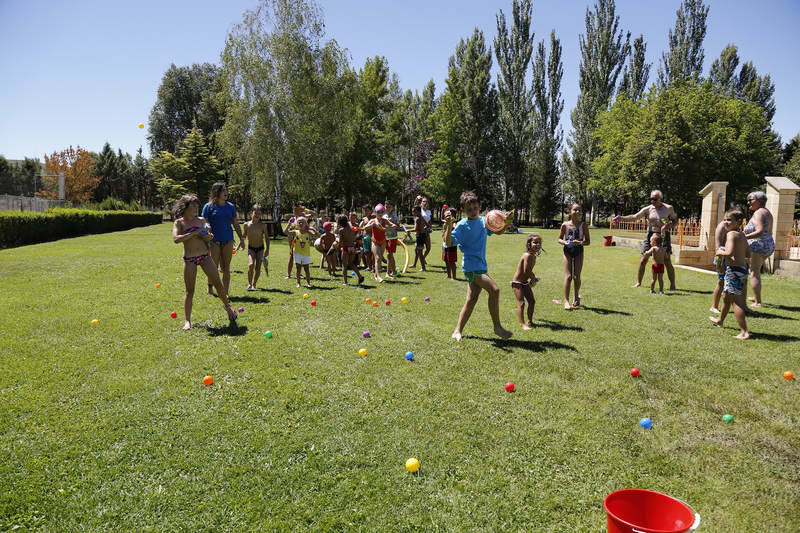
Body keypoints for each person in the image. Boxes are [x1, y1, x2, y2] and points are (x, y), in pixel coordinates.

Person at [443, 190, 513, 341]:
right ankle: (497, 327)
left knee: (472, 299)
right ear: (463, 210)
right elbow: (448, 242)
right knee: (494, 290)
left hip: (481, 265)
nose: (473, 212)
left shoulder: (483, 221)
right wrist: (449, 225)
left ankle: (457, 331)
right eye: (469, 209)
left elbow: (498, 232)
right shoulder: (462, 225)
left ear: (479, 207)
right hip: (470, 266)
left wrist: (506, 224)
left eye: (475, 208)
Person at [172, 195, 237, 330]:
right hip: (189, 259)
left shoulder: (201, 221)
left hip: (205, 256)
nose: (196, 208)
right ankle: (187, 321)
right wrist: (193, 233)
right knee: (190, 291)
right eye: (193, 206)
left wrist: (206, 235)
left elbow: (209, 236)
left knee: (218, 284)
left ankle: (228, 308)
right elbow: (176, 239)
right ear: (185, 207)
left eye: (197, 205)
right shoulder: (179, 223)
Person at [613, 190, 678, 290]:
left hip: (664, 235)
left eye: (655, 199)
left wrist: (668, 226)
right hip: (650, 235)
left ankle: (672, 285)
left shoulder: (668, 208)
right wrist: (622, 218)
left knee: (667, 260)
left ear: (660, 199)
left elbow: (675, 221)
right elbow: (635, 216)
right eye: (651, 199)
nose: (652, 201)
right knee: (643, 259)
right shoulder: (648, 209)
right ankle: (638, 282)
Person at [710, 209, 750, 339]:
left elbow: (729, 253)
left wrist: (720, 251)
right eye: (725, 219)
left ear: (738, 222)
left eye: (729, 220)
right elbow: (748, 253)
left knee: (736, 303)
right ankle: (720, 320)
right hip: (741, 270)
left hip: (734, 271)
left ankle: (744, 332)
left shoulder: (731, 234)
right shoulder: (742, 234)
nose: (726, 222)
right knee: (726, 297)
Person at [202, 182, 244, 298]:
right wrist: (207, 229)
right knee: (213, 267)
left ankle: (225, 293)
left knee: (226, 267)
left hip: (228, 240)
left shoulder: (230, 207)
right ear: (217, 192)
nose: (226, 192)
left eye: (226, 190)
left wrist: (241, 238)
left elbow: (235, 223)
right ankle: (210, 286)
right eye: (223, 190)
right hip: (214, 240)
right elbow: (204, 221)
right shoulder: (208, 206)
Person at [744, 191, 774, 308]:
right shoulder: (767, 212)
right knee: (756, 272)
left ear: (759, 201)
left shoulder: (758, 213)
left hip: (758, 245)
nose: (748, 202)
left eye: (750, 200)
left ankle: (758, 302)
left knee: (754, 272)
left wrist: (743, 236)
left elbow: (760, 231)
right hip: (768, 245)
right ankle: (755, 297)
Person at [557, 203, 590, 309]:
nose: (577, 212)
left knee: (576, 277)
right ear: (569, 212)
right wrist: (565, 243)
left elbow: (588, 241)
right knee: (568, 276)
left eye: (579, 210)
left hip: (579, 251)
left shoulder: (583, 225)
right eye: (575, 210)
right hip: (567, 251)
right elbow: (559, 239)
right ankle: (566, 301)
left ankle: (576, 298)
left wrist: (579, 243)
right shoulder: (565, 225)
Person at [361, 203, 399, 283]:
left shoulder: (385, 220)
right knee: (378, 258)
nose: (380, 214)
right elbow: (365, 228)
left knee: (379, 258)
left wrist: (393, 226)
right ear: (375, 212)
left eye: (382, 212)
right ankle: (378, 276)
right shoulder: (373, 220)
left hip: (383, 241)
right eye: (378, 212)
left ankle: (376, 275)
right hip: (375, 242)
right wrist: (372, 225)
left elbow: (393, 225)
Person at [511, 234, 542, 330]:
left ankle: (530, 320)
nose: (537, 245)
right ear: (529, 244)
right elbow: (526, 271)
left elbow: (527, 272)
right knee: (521, 303)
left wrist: (532, 278)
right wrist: (533, 278)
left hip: (524, 282)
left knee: (532, 301)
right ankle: (522, 324)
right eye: (535, 242)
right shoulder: (527, 255)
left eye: (539, 243)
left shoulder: (533, 256)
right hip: (517, 283)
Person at [285, 216, 318, 288]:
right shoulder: (295, 232)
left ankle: (308, 283)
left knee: (307, 269)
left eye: (302, 222)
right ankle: (298, 283)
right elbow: (285, 232)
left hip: (306, 254)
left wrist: (312, 228)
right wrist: (289, 223)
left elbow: (316, 235)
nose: (300, 223)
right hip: (297, 253)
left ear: (306, 224)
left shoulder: (308, 232)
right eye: (299, 222)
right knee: (298, 269)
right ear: (296, 224)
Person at [243, 204, 270, 291]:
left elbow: (266, 238)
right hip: (251, 248)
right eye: (256, 213)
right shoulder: (246, 225)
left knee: (258, 268)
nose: (257, 215)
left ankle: (254, 284)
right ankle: (249, 284)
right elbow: (244, 236)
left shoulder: (263, 225)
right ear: (251, 213)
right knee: (251, 265)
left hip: (260, 249)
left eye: (259, 213)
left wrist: (267, 249)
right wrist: (240, 245)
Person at [286, 204, 315, 279]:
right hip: (293, 238)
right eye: (293, 210)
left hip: (303, 239)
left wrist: (305, 209)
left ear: (299, 210)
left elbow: (314, 214)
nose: (294, 211)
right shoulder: (293, 218)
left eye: (296, 210)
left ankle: (299, 273)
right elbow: (289, 229)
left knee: (301, 255)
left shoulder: (304, 216)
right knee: (291, 255)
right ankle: (288, 274)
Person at [336, 214, 364, 285]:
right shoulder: (352, 228)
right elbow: (356, 233)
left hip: (346, 248)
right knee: (351, 263)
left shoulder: (341, 230)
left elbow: (341, 241)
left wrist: (338, 244)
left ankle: (345, 282)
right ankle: (359, 276)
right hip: (352, 247)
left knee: (344, 265)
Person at [710, 219, 728, 313]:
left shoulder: (730, 226)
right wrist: (719, 263)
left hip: (726, 257)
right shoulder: (723, 226)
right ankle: (714, 306)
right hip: (721, 257)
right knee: (721, 282)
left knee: (725, 282)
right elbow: (718, 247)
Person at [384, 200, 404, 277]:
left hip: (393, 237)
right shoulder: (383, 215)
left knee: (389, 254)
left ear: (392, 207)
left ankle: (388, 272)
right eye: (386, 206)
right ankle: (393, 272)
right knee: (389, 255)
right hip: (385, 237)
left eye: (389, 207)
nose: (388, 208)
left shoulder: (394, 215)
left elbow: (398, 226)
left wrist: (393, 223)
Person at [411, 196, 432, 268]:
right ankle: (417, 263)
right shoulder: (420, 210)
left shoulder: (429, 211)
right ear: (421, 203)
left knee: (428, 248)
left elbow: (428, 222)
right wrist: (417, 199)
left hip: (425, 232)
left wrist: (428, 227)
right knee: (418, 250)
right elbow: (414, 206)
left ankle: (422, 259)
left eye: (426, 201)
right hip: (419, 232)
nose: (425, 203)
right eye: (423, 201)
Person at [441, 208, 459, 280]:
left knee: (452, 262)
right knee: (446, 261)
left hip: (452, 245)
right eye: (447, 215)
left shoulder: (454, 223)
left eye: (450, 214)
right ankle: (448, 275)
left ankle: (453, 277)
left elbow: (454, 227)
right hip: (445, 244)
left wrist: (450, 223)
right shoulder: (446, 223)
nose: (448, 216)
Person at [412, 205, 428, 271]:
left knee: (420, 253)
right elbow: (428, 225)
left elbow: (415, 229)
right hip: (423, 235)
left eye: (414, 211)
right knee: (416, 250)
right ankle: (414, 265)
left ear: (418, 212)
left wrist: (407, 230)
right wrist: (422, 229)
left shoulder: (417, 219)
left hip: (420, 237)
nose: (413, 213)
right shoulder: (421, 217)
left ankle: (423, 267)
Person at [360, 204, 374, 272]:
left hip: (372, 237)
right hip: (365, 237)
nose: (366, 212)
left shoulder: (373, 218)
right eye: (365, 211)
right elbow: (361, 228)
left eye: (368, 210)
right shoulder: (364, 219)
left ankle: (374, 267)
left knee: (373, 253)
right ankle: (369, 267)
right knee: (366, 252)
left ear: (371, 211)